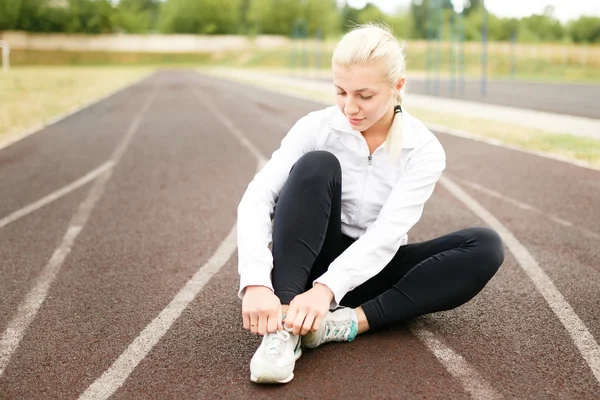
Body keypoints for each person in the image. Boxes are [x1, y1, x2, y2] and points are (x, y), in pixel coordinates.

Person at [236, 23, 505, 384]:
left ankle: (344, 323)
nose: (350, 107)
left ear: (398, 87)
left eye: (364, 95)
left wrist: (327, 291)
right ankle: (284, 326)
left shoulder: (423, 150)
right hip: (308, 259)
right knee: (317, 164)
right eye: (341, 92)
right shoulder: (315, 128)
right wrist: (255, 282)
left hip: (371, 269)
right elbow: (259, 195)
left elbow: (388, 233)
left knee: (486, 246)